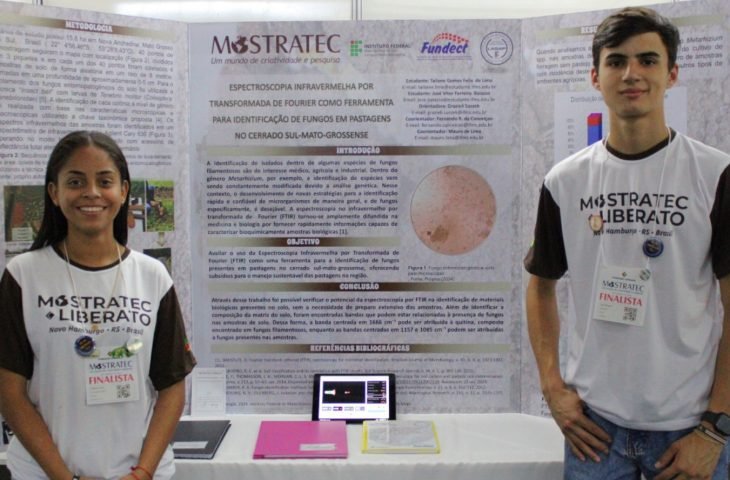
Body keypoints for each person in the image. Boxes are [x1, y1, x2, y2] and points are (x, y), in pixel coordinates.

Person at [524, 7, 730, 480]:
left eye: (648, 60)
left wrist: (716, 427)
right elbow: (540, 286)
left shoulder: (715, 174)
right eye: (616, 61)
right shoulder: (564, 181)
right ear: (595, 77)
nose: (631, 73)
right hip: (595, 429)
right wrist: (552, 388)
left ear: (671, 74)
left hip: (688, 428)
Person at [0, 131, 196, 480]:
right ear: (54, 193)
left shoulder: (152, 276)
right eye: (75, 182)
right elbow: (9, 392)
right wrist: (66, 478)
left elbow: (171, 389)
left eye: (104, 181)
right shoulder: (23, 276)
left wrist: (142, 473)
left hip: (136, 473)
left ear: (123, 191)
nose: (91, 192)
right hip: (44, 474)